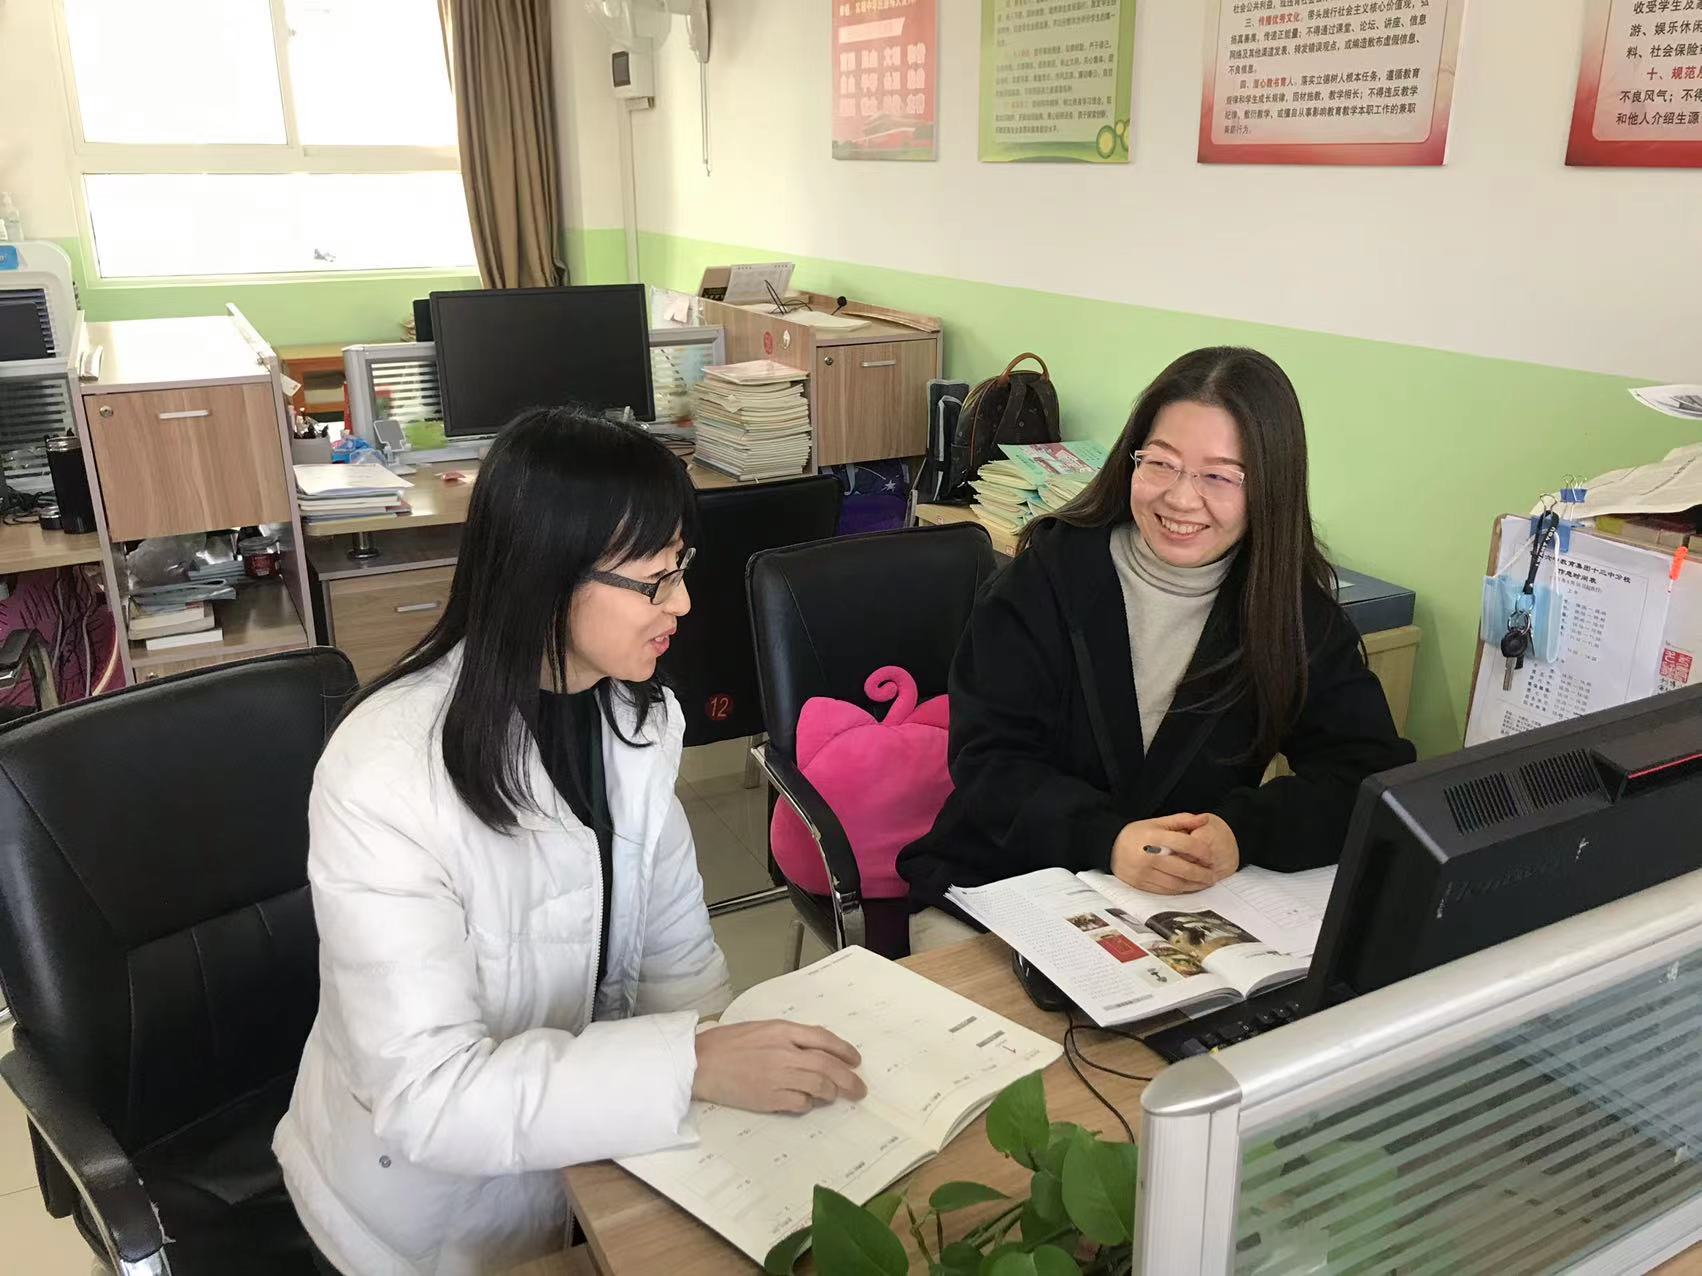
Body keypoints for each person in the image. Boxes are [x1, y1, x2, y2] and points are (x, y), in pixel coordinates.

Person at [274, 408, 866, 1275]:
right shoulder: (386, 771)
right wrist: (690, 1065)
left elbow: (678, 961)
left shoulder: (639, 718)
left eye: (683, 568)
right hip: (428, 1228)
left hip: (592, 1170)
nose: (683, 603)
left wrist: (727, 1093)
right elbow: (428, 1098)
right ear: (548, 576)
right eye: (656, 580)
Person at [898, 347, 1416, 949]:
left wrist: (1243, 832)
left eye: (1219, 476)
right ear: (1132, 460)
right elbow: (989, 765)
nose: (1181, 499)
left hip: (1180, 909)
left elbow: (1367, 773)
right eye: (1161, 464)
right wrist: (1106, 839)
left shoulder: (1288, 611)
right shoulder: (1045, 580)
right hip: (1003, 887)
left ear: (1269, 488)